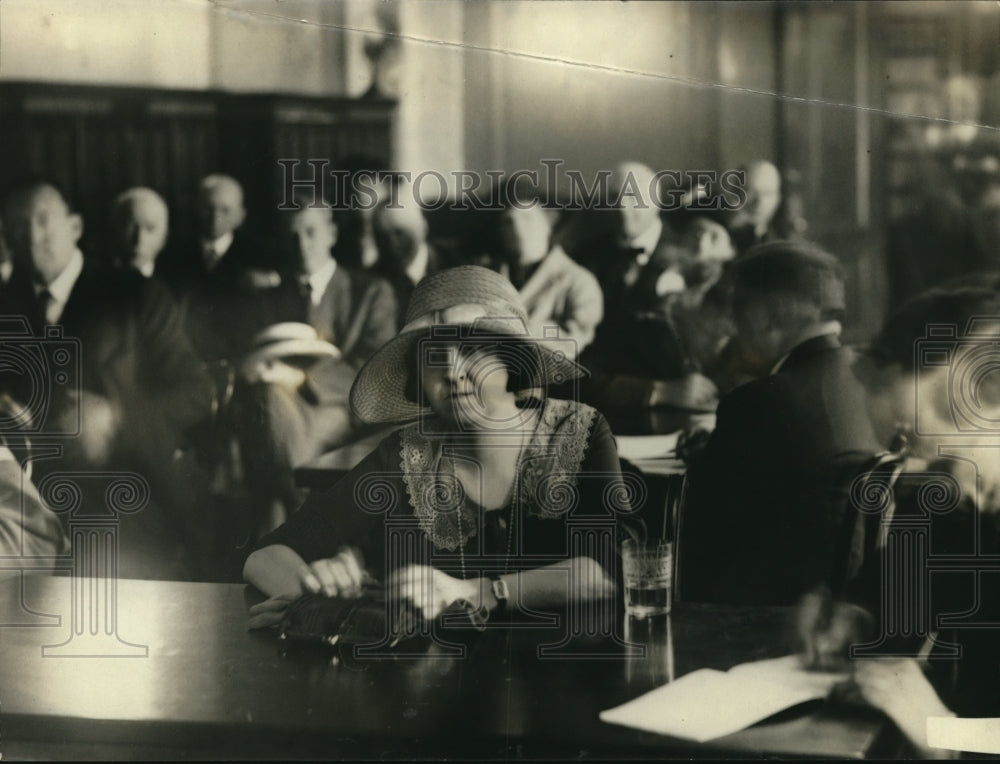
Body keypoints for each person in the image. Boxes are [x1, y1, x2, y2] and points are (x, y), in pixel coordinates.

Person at [244, 266, 635, 625]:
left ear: (511, 359)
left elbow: (610, 567)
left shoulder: (578, 430)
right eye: (433, 355)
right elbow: (265, 555)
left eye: (470, 349)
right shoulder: (408, 453)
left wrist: (475, 591)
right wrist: (311, 596)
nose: (450, 370)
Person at [799, 286, 1000, 757]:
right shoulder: (956, 493)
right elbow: (903, 581)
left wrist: (939, 730)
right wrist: (854, 613)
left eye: (942, 447)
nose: (913, 472)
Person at [0, 179, 218, 580]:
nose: (32, 237)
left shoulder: (133, 293)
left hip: (130, 482)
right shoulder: (5, 304)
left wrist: (117, 418)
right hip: (25, 496)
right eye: (16, 226)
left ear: (76, 228)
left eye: (44, 221)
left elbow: (197, 393)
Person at [680, 241, 882, 606]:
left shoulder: (759, 401)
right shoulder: (869, 381)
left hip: (763, 607)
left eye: (738, 309)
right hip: (843, 597)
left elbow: (696, 531)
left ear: (770, 314)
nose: (733, 325)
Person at [572, 162, 722, 411]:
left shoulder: (694, 254)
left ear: (656, 200)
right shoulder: (586, 257)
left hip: (686, 402)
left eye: (633, 196)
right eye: (614, 197)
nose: (622, 207)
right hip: (608, 399)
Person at [472, 186, 603, 358]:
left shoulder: (578, 281)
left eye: (527, 218)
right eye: (508, 221)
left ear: (548, 223)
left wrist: (515, 328)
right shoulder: (485, 276)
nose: (518, 230)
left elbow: (574, 340)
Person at [370, 187, 454, 324]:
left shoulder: (456, 265)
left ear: (422, 228)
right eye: (382, 237)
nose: (392, 244)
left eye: (399, 233)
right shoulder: (374, 282)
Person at [109, 187, 170, 278]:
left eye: (150, 228)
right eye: (130, 228)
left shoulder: (175, 287)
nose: (139, 239)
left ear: (164, 237)